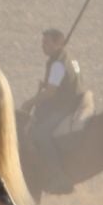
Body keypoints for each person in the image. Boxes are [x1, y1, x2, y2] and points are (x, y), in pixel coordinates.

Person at [28, 26, 88, 192]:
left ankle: (58, 176)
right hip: (74, 101)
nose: (43, 45)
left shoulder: (58, 64)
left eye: (46, 42)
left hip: (66, 106)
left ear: (58, 44)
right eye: (43, 42)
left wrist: (30, 102)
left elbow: (51, 93)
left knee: (40, 134)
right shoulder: (69, 59)